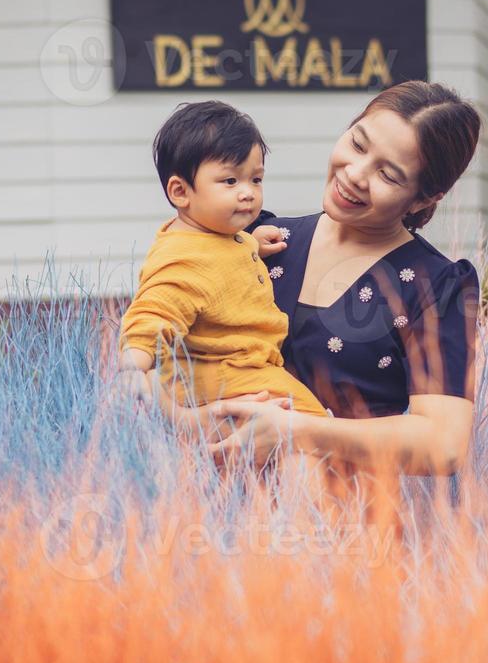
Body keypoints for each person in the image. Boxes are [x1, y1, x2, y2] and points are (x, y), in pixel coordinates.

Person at [205, 80, 482, 480]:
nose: (355, 174)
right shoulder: (259, 239)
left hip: (335, 520)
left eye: (387, 174)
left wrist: (297, 432)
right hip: (203, 505)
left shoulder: (433, 286)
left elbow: (443, 444)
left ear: (424, 198)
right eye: (357, 144)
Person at [117, 101, 329, 422]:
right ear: (180, 191)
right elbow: (155, 312)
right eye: (230, 181)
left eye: (255, 180)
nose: (247, 193)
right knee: (313, 425)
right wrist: (133, 367)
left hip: (242, 369)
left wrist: (251, 247)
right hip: (228, 374)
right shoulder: (183, 258)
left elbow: (219, 268)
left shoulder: (219, 237)